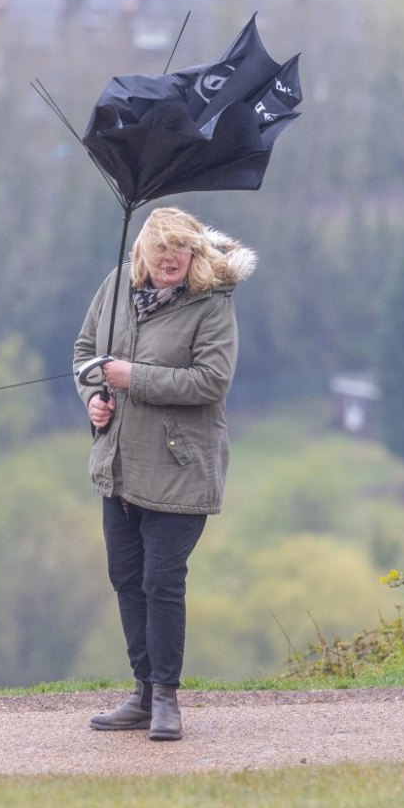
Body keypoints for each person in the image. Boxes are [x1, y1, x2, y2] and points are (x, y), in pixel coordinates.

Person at [74, 206, 255, 741]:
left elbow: (210, 382)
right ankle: (143, 694)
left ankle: (167, 702)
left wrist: (132, 377)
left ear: (195, 253)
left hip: (180, 468)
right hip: (118, 465)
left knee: (161, 583)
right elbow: (86, 352)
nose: (171, 258)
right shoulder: (115, 287)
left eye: (181, 249)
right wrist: (94, 399)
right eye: (161, 249)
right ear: (143, 253)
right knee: (127, 579)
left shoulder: (213, 305)